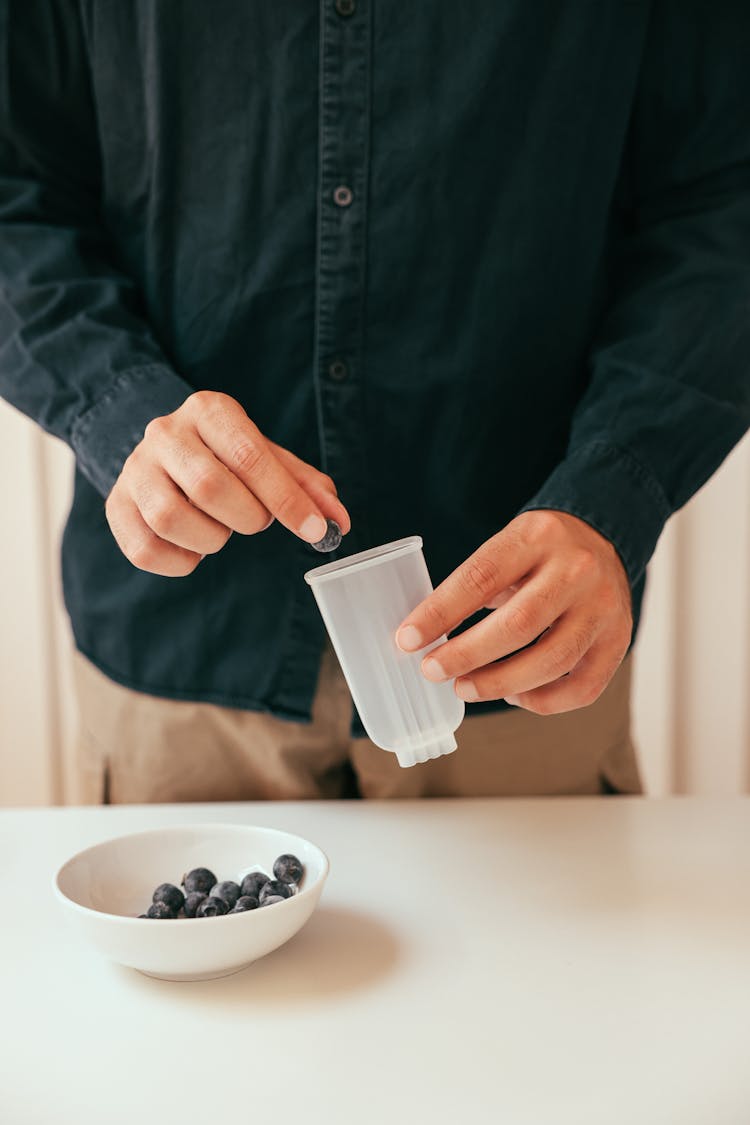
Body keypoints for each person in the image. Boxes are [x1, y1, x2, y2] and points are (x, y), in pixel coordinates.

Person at [1, 2, 748, 804]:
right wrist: (119, 407)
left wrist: (614, 496)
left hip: (525, 636)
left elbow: (724, 198)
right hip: (185, 654)